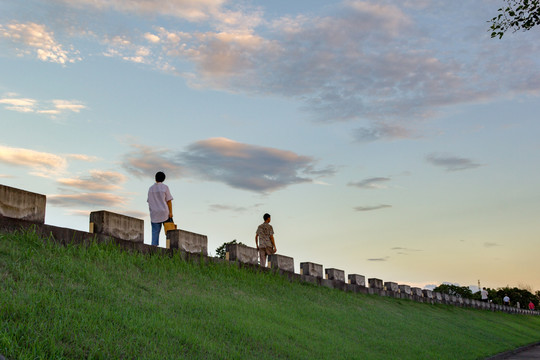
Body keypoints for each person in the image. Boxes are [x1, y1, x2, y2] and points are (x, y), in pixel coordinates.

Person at [147, 171, 173, 246]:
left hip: (154, 214)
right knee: (169, 232)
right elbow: (169, 201)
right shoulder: (165, 187)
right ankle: (170, 247)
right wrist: (171, 212)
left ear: (155, 178)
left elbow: (149, 201)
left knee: (155, 233)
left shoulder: (151, 189)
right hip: (164, 212)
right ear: (164, 179)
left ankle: (154, 249)